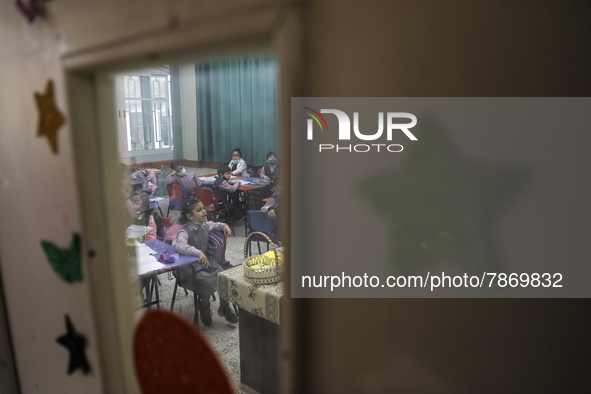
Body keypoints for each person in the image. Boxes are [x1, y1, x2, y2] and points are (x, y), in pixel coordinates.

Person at [175, 199, 238, 327]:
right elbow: (180, 246)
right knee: (208, 282)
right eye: (199, 210)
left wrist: (224, 225)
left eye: (203, 208)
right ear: (189, 216)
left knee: (223, 277)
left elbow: (216, 225)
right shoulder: (184, 231)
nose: (204, 211)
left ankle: (224, 307)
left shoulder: (205, 225)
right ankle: (204, 306)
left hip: (207, 263)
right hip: (191, 267)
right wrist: (197, 252)